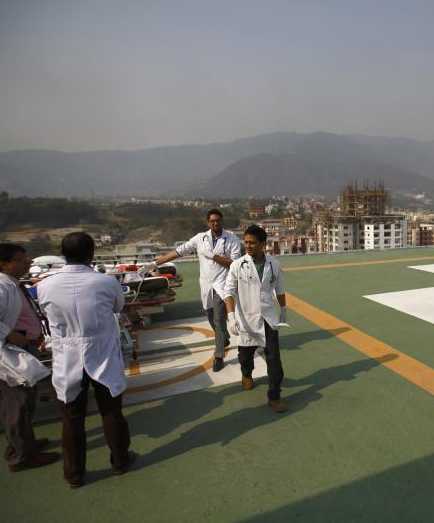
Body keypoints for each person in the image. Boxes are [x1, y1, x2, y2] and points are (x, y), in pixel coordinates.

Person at [37, 232, 134, 488]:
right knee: (111, 411)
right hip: (101, 352)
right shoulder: (105, 282)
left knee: (72, 416)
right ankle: (120, 460)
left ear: (63, 254)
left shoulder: (45, 285)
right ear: (91, 254)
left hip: (67, 355)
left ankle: (74, 473)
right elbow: (117, 307)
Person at [0, 243, 60, 471]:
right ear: (4, 264)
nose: (27, 262)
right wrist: (9, 334)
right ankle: (24, 456)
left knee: (18, 402)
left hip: (23, 348)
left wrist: (34, 333)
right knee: (19, 403)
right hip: (12, 353)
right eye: (21, 259)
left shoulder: (10, 284)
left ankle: (19, 443)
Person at [146, 209, 241, 373]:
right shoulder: (200, 238)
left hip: (222, 284)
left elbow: (234, 264)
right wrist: (156, 263)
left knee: (219, 317)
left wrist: (213, 256)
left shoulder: (231, 239)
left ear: (222, 221)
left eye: (218, 220)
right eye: (212, 221)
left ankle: (219, 356)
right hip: (206, 285)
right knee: (211, 317)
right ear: (207, 223)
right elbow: (178, 251)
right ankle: (224, 337)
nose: (215, 223)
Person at [223, 225, 289, 412]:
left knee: (274, 360)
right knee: (245, 356)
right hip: (246, 319)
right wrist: (231, 316)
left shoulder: (274, 264)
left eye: (252, 242)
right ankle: (246, 374)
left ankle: (274, 396)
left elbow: (280, 289)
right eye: (246, 242)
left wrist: (284, 308)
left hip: (268, 318)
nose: (248, 246)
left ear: (262, 244)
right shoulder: (238, 265)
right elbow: (229, 291)